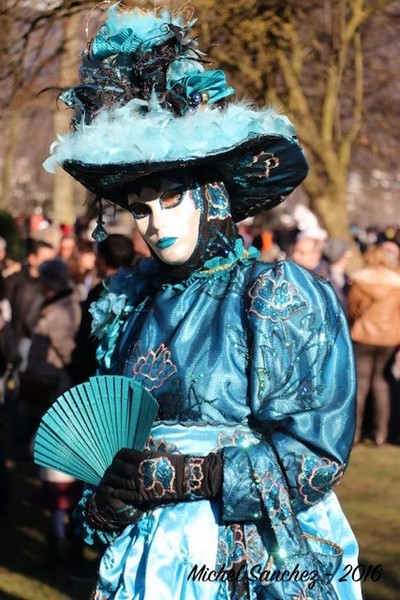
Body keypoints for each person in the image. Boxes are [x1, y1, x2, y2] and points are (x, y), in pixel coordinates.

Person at [43, 6, 360, 599]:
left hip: (246, 555)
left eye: (170, 199)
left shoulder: (273, 297)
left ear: (212, 195)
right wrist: (106, 501)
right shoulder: (130, 304)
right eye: (141, 207)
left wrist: (194, 475)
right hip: (151, 559)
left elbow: (317, 450)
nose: (154, 222)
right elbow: (116, 443)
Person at [348, 244, 400, 446]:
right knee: (382, 383)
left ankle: (355, 432)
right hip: (388, 339)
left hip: (363, 336)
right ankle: (380, 433)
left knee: (360, 384)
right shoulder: (396, 283)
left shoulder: (361, 280)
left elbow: (353, 310)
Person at [69, 234, 136, 385]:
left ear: (103, 259)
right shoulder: (140, 289)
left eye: (97, 256)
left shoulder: (101, 292)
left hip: (95, 374)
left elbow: (87, 338)